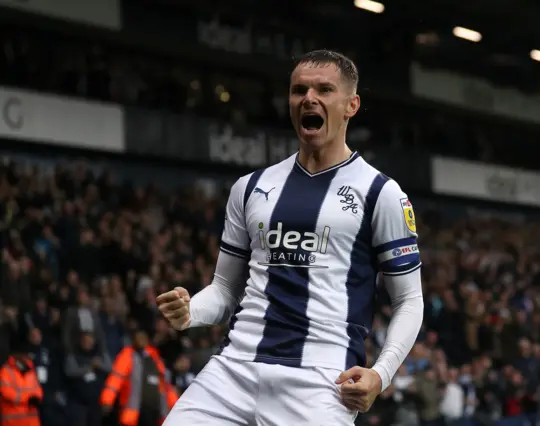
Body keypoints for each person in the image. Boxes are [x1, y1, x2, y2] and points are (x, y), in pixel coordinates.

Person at [157, 49, 424, 425]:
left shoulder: (381, 193)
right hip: (233, 368)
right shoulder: (250, 188)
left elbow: (410, 300)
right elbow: (225, 290)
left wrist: (381, 374)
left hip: (320, 381)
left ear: (351, 104)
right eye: (299, 90)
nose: (309, 99)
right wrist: (190, 312)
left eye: (324, 90)